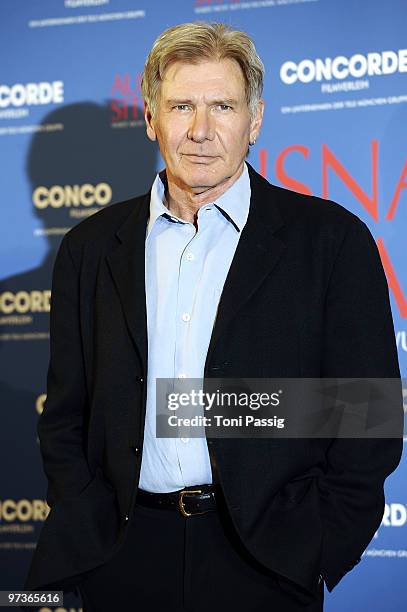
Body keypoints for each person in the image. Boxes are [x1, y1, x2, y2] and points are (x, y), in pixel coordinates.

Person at [25, 22, 403, 611]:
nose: (201, 130)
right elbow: (66, 413)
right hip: (121, 556)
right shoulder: (90, 248)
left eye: (222, 105)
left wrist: (317, 543)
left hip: (266, 561)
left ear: (255, 120)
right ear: (151, 118)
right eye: (181, 106)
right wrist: (87, 519)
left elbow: (368, 415)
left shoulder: (331, 242)